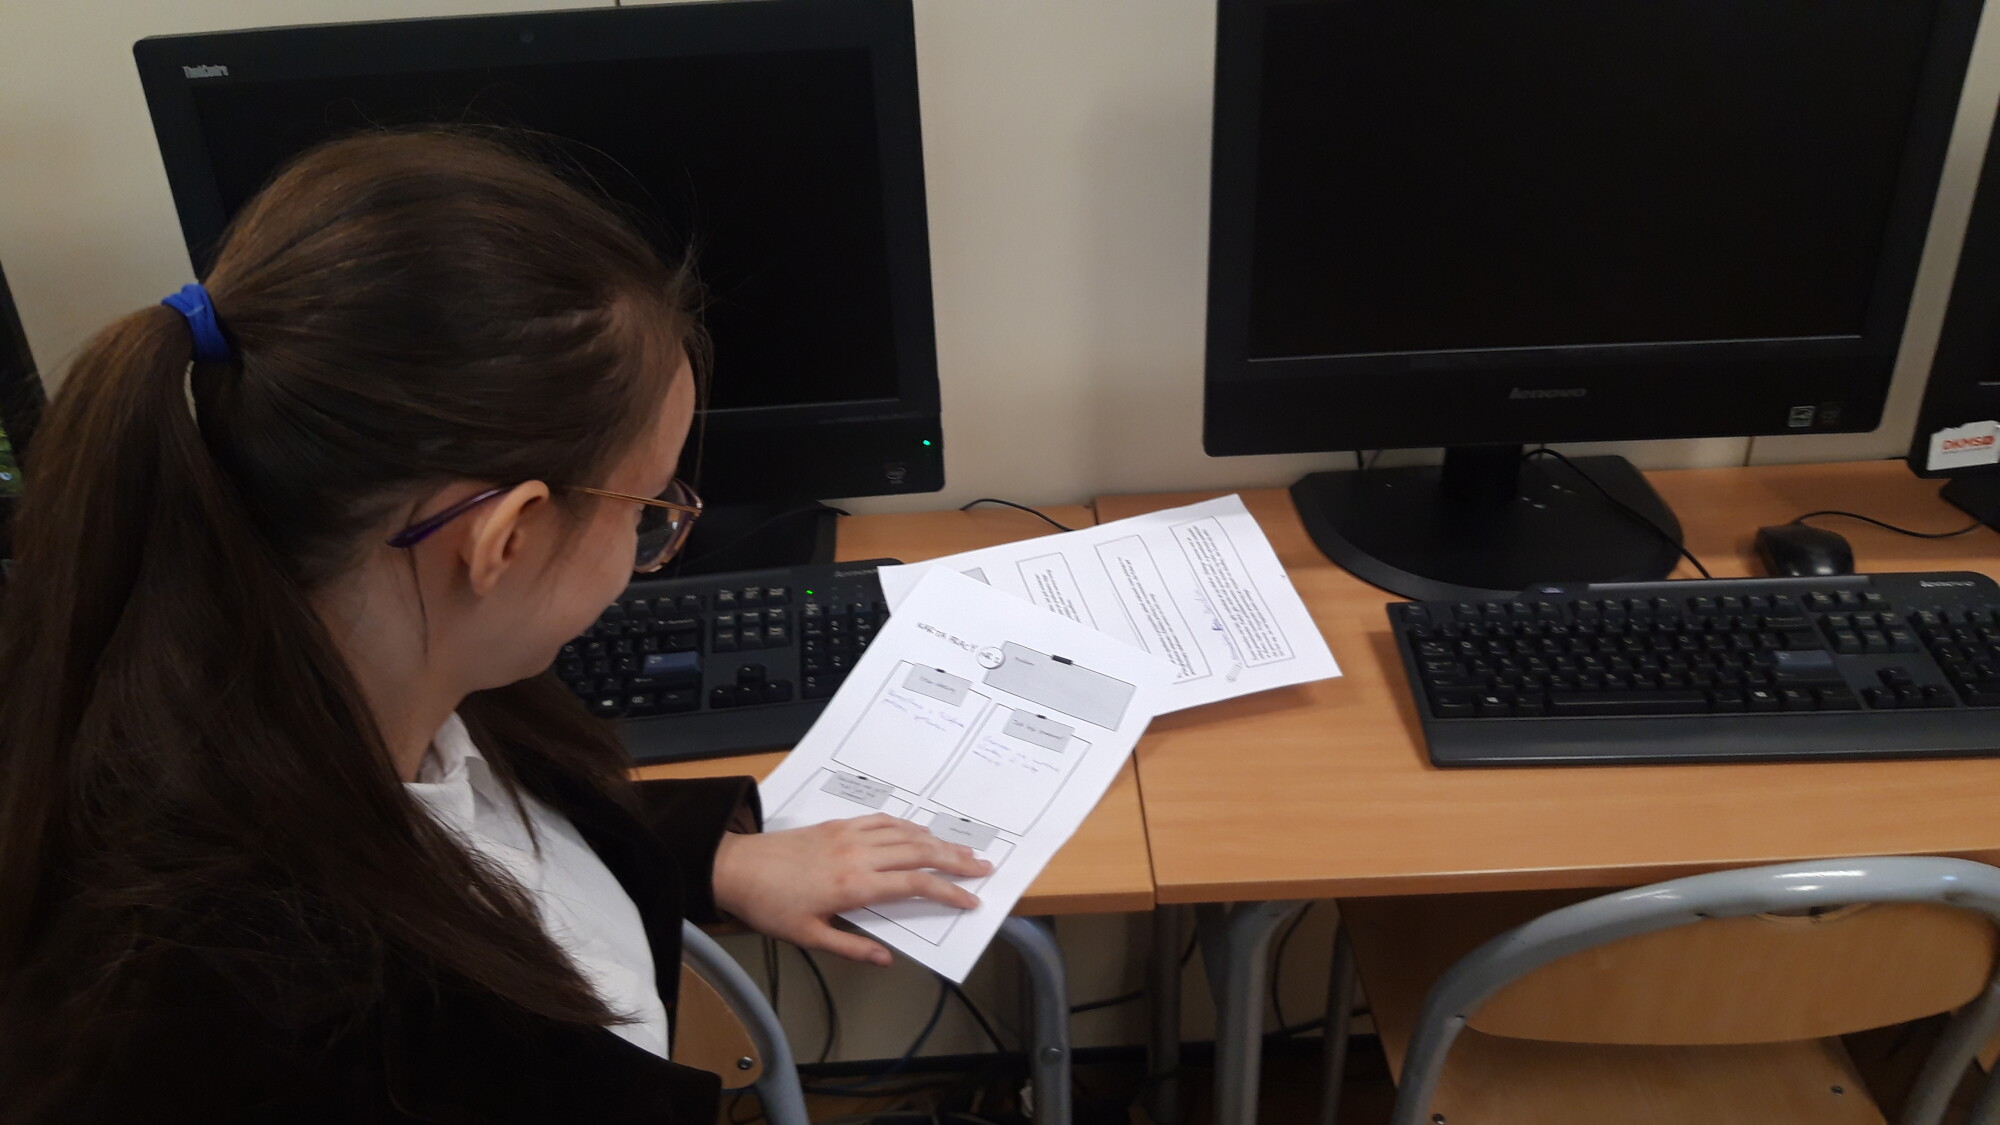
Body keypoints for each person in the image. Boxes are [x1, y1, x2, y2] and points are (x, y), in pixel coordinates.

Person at [0, 130, 989, 1124]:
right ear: (504, 539)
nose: (655, 543)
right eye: (648, 509)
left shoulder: (349, 671)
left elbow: (495, 821)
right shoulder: (276, 1032)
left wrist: (711, 858)